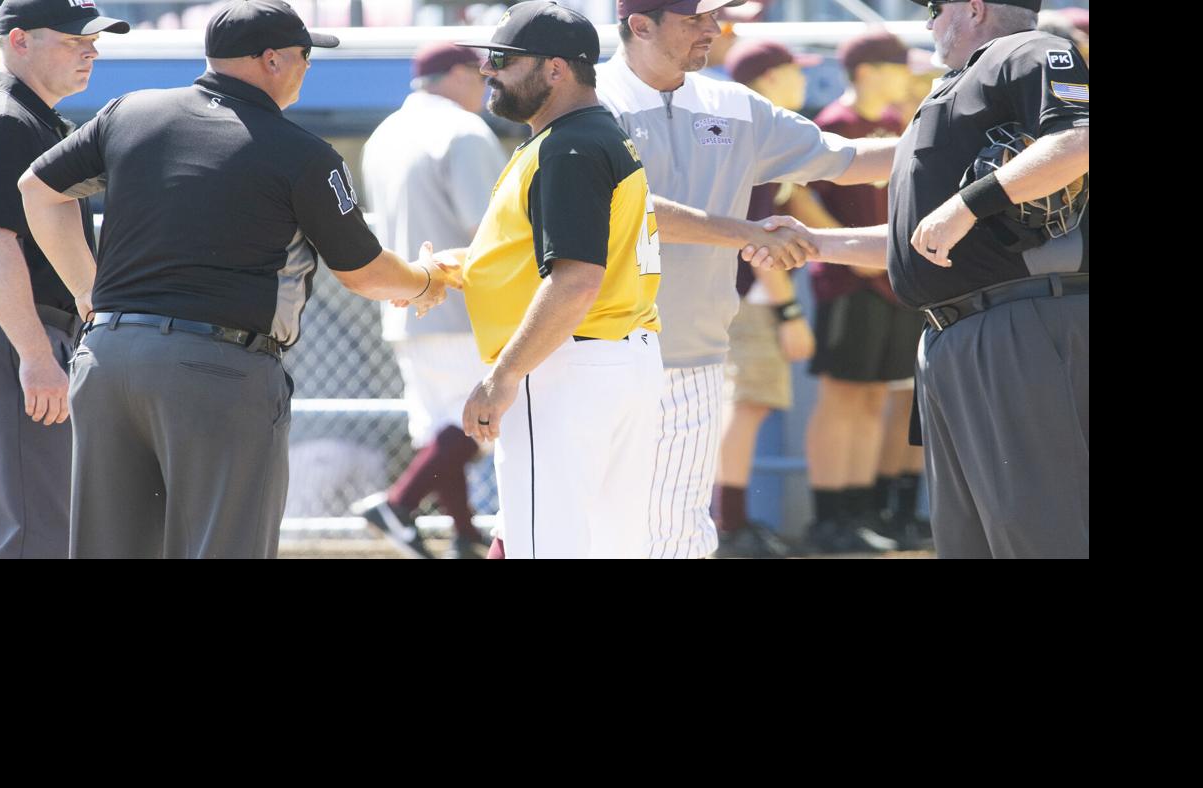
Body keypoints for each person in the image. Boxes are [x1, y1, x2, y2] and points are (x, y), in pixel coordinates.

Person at [19, 0, 452, 558]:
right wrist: (424, 281)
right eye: (303, 55)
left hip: (107, 358)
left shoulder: (131, 111)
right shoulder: (301, 153)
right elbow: (365, 273)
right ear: (271, 60)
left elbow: (38, 188)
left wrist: (88, 291)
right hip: (215, 370)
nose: (308, 65)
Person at [748, 0, 1090, 557]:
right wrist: (814, 243)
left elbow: (1078, 139)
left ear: (974, 7)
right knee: (972, 539)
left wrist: (967, 205)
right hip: (959, 333)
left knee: (1039, 533)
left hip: (1019, 321)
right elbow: (921, 236)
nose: (928, 21)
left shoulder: (1023, 49)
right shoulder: (959, 87)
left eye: (934, 7)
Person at [599, 0, 900, 559]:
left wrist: (960, 144)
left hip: (697, 359)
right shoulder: (589, 104)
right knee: (583, 529)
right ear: (640, 25)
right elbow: (629, 208)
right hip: (592, 354)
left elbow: (847, 157)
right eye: (696, 17)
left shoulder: (731, 102)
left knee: (680, 535)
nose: (714, 28)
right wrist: (749, 234)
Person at [436, 0, 663, 558]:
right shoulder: (587, 133)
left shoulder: (568, 145)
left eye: (503, 59)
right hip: (615, 360)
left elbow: (576, 280)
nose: (488, 70)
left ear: (555, 69)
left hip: (565, 365)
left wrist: (504, 375)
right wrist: (458, 268)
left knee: (544, 548)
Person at [0, 0, 130, 559]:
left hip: (22, 337)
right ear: (18, 41)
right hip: (10, 338)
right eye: (73, 40)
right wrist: (35, 355)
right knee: (32, 539)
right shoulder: (3, 119)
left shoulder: (35, 119)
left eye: (92, 40)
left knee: (38, 531)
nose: (90, 50)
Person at [352, 42, 509, 560]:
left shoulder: (384, 133)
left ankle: (463, 533)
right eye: (481, 74)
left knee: (441, 428)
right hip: (463, 300)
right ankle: (399, 504)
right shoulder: (462, 130)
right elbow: (487, 229)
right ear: (459, 73)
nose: (487, 85)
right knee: (478, 421)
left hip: (404, 297)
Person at [800, 31, 926, 554]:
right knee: (842, 396)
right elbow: (800, 194)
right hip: (849, 282)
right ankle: (830, 516)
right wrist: (844, 249)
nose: (907, 77)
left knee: (877, 396)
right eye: (898, 67)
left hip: (891, 282)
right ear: (869, 70)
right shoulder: (833, 125)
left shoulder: (897, 125)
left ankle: (865, 511)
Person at [709, 38, 821, 559]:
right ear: (771, 78)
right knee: (747, 404)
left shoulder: (744, 130)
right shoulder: (757, 133)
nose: (802, 80)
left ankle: (728, 521)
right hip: (748, 297)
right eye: (794, 71)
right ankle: (728, 525)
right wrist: (790, 312)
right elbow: (760, 239)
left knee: (742, 405)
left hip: (729, 294)